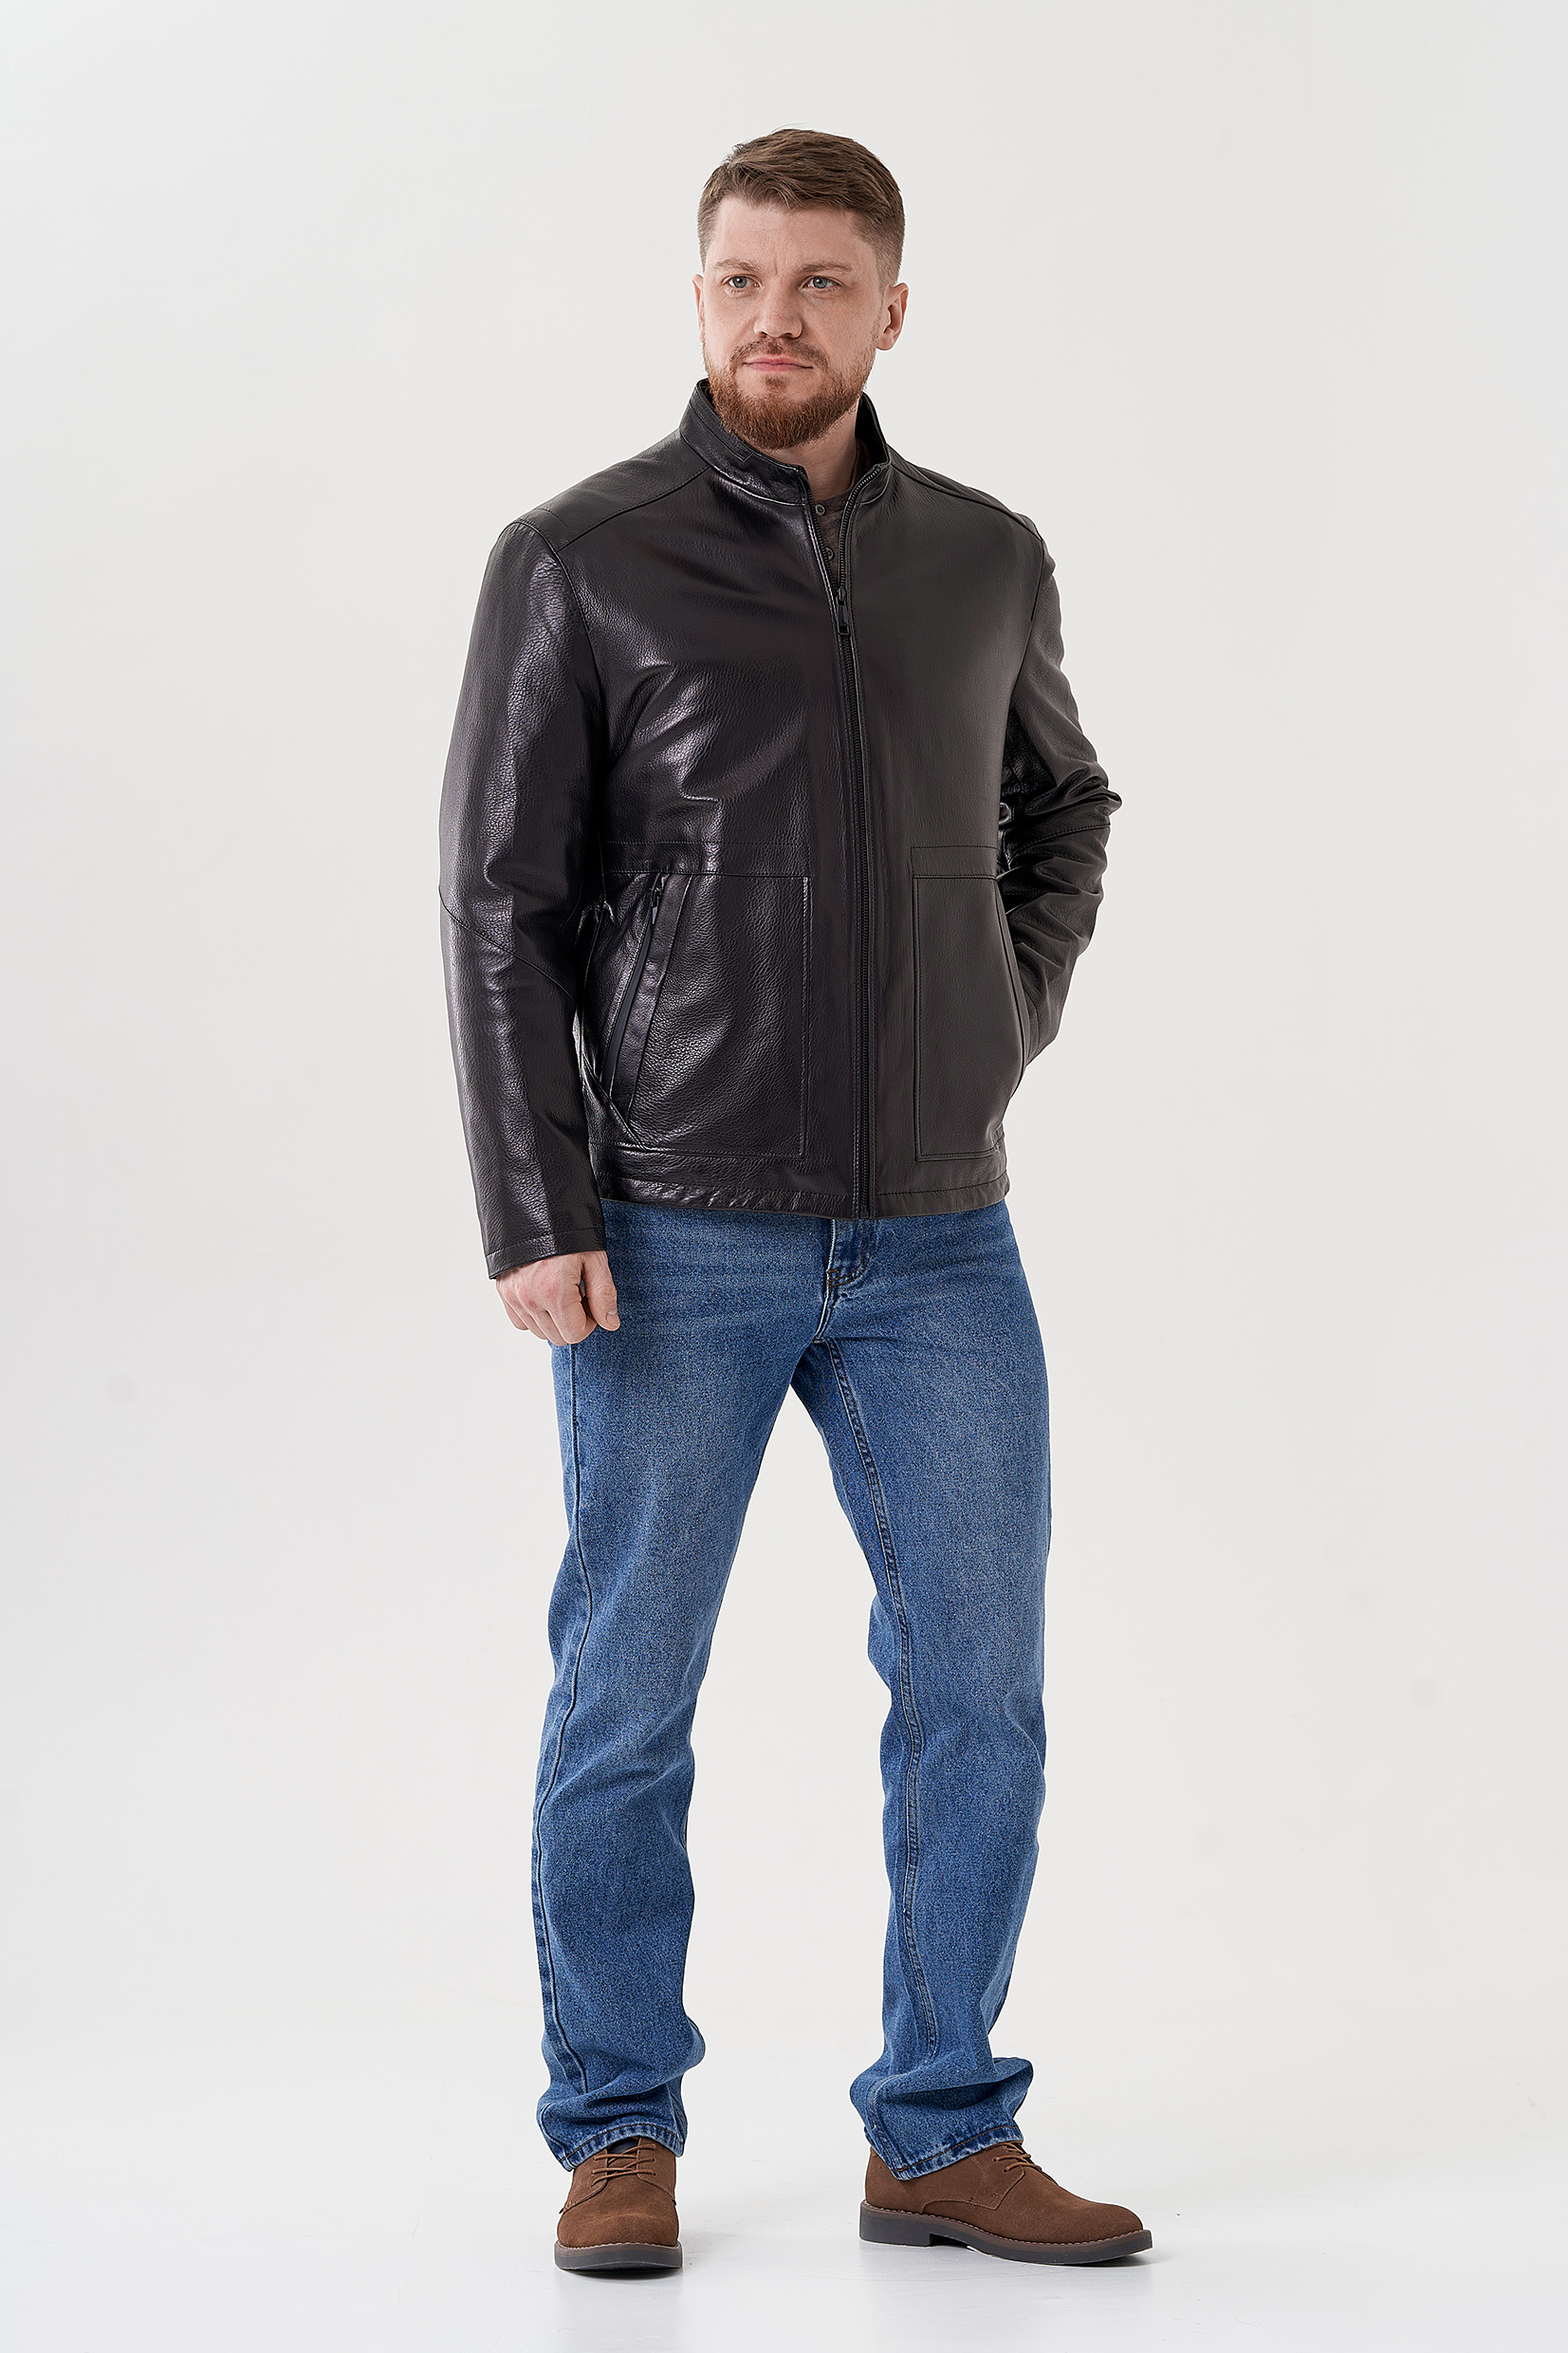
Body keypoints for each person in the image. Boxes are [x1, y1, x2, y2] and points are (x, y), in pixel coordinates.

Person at [438, 126, 1147, 2276]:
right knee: (626, 1696)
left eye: (821, 283)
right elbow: (499, 903)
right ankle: (614, 2127)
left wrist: (991, 1015)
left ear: (888, 311)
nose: (777, 318)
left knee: (979, 1692)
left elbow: (1061, 805)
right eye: (742, 278)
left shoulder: (985, 556)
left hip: (940, 1233)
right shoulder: (579, 558)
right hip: (671, 1224)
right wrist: (534, 1201)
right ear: (699, 299)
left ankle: (940, 2126)